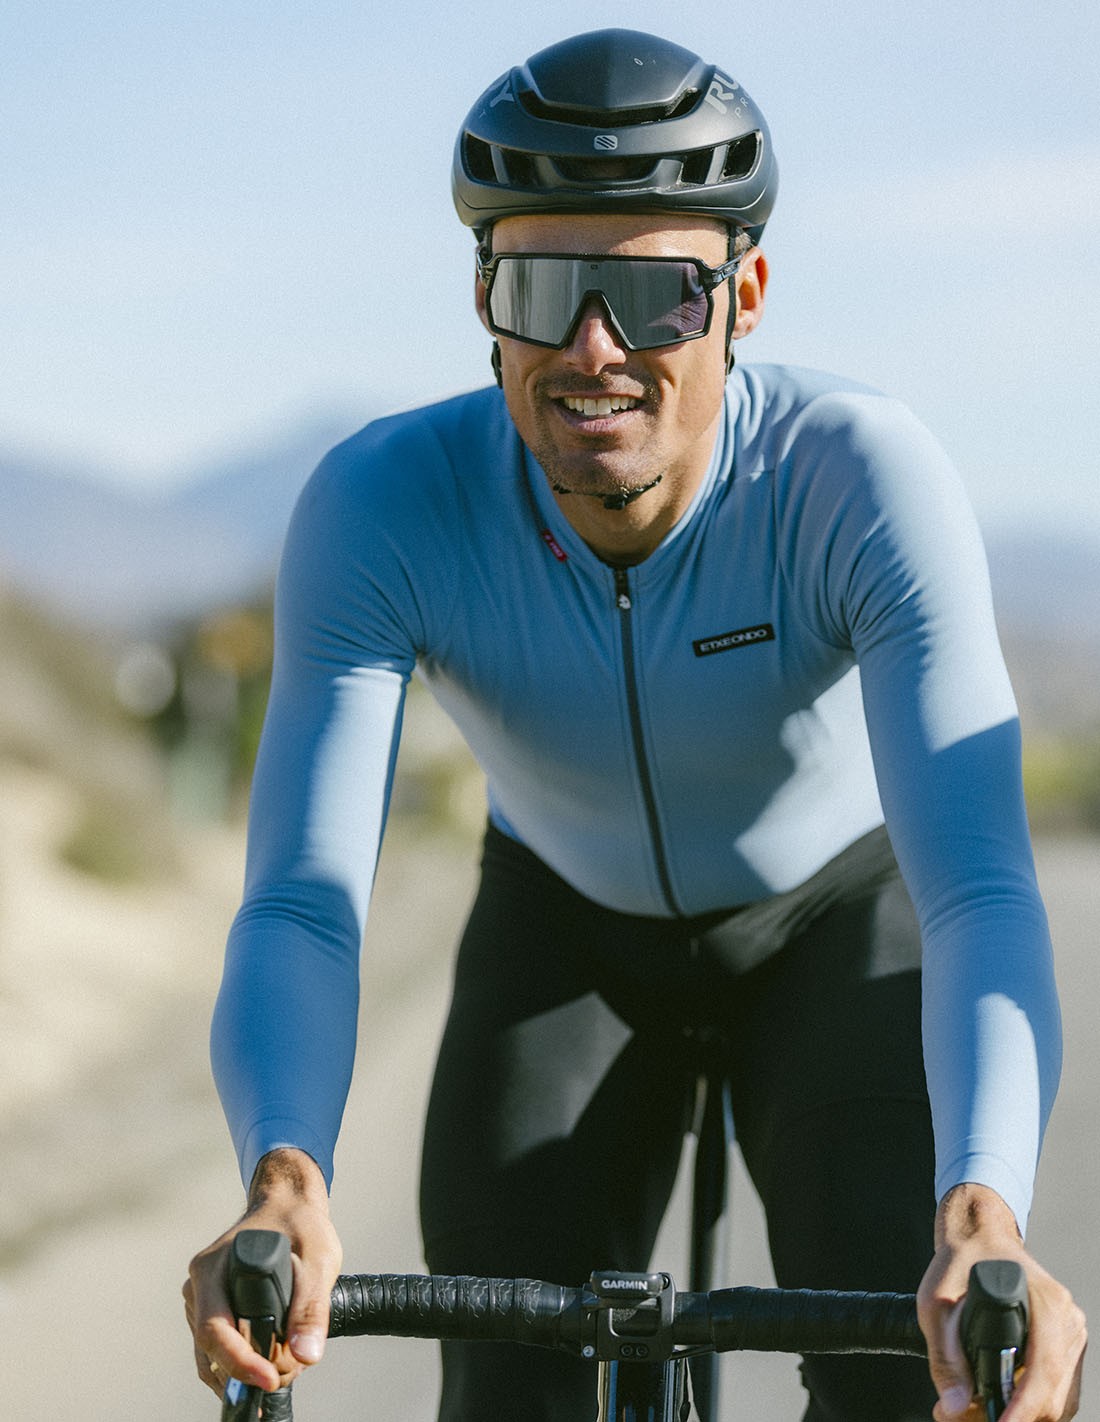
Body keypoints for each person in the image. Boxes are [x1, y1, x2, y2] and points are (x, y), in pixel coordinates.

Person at [184, 27, 1085, 1421]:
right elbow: (305, 899)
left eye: (658, 296)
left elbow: (975, 882)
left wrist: (986, 1214)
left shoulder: (859, 481)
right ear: (485, 300)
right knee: (509, 1386)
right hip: (565, 928)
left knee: (923, 1372)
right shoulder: (381, 507)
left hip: (831, 917)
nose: (592, 347)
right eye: (544, 288)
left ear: (744, 296)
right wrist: (283, 1181)